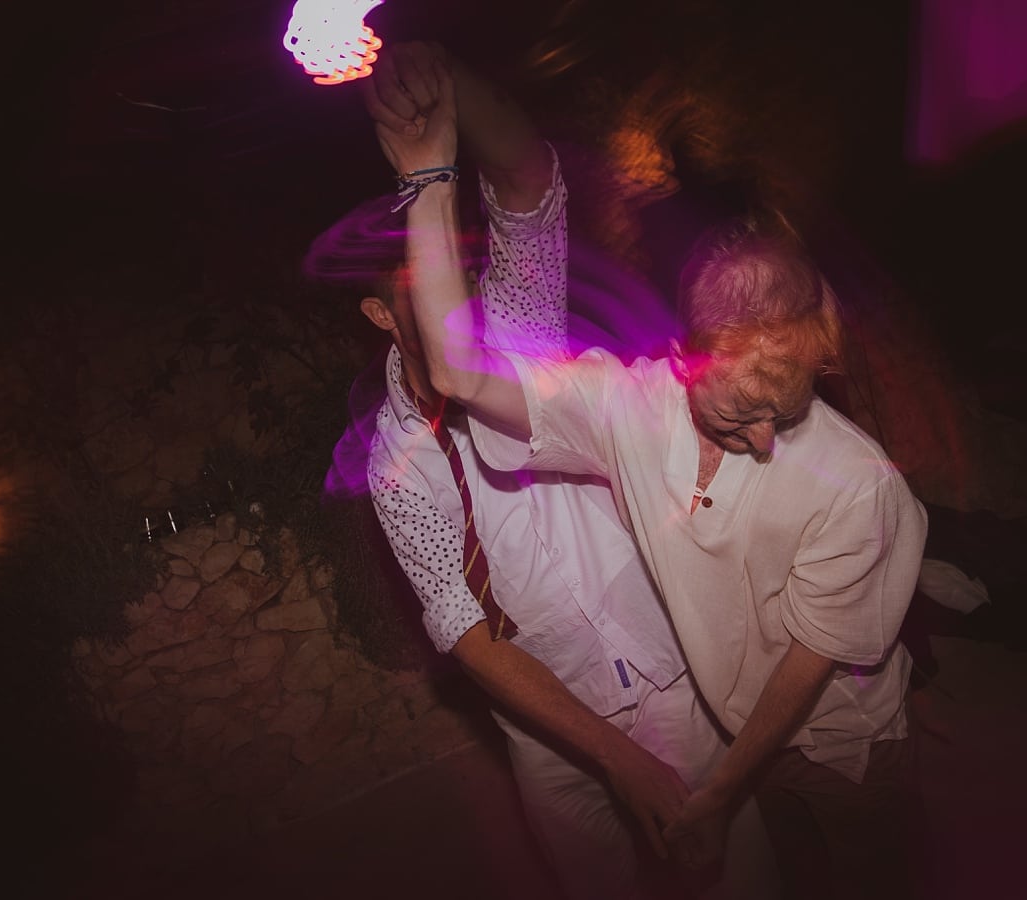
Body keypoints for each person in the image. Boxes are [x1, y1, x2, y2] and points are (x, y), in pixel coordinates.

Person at [379, 55, 929, 900]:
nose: (760, 438)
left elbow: (807, 664)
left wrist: (717, 791)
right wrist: (429, 169)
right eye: (740, 410)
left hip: (837, 744)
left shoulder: (860, 485)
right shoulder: (620, 407)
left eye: (783, 413)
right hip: (721, 728)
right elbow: (458, 370)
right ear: (681, 360)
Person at [310, 43, 775, 900]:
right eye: (423, 278)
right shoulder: (397, 466)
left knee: (738, 872)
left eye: (457, 261)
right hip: (552, 735)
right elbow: (467, 634)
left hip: (677, 674)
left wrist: (451, 92)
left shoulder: (518, 339)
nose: (456, 288)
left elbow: (526, 178)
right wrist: (617, 761)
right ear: (381, 311)